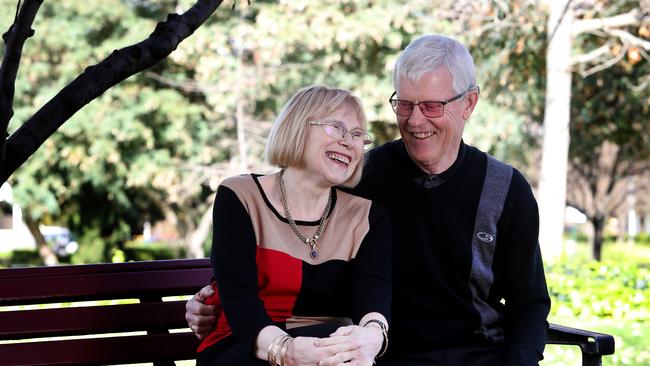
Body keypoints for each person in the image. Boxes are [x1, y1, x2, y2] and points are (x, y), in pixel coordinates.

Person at [187, 35, 551, 366]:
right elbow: (294, 248)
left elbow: (529, 303)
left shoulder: (504, 188)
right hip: (386, 355)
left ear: (469, 103)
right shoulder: (357, 178)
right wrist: (215, 302)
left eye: (432, 107)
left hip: (479, 355)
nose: (414, 120)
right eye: (404, 105)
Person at [195, 85, 392, 366]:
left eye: (358, 135)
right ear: (298, 127)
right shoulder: (240, 196)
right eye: (336, 128)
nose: (349, 141)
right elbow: (239, 300)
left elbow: (372, 291)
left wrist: (373, 337)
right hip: (248, 344)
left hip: (329, 349)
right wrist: (286, 351)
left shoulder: (367, 216)